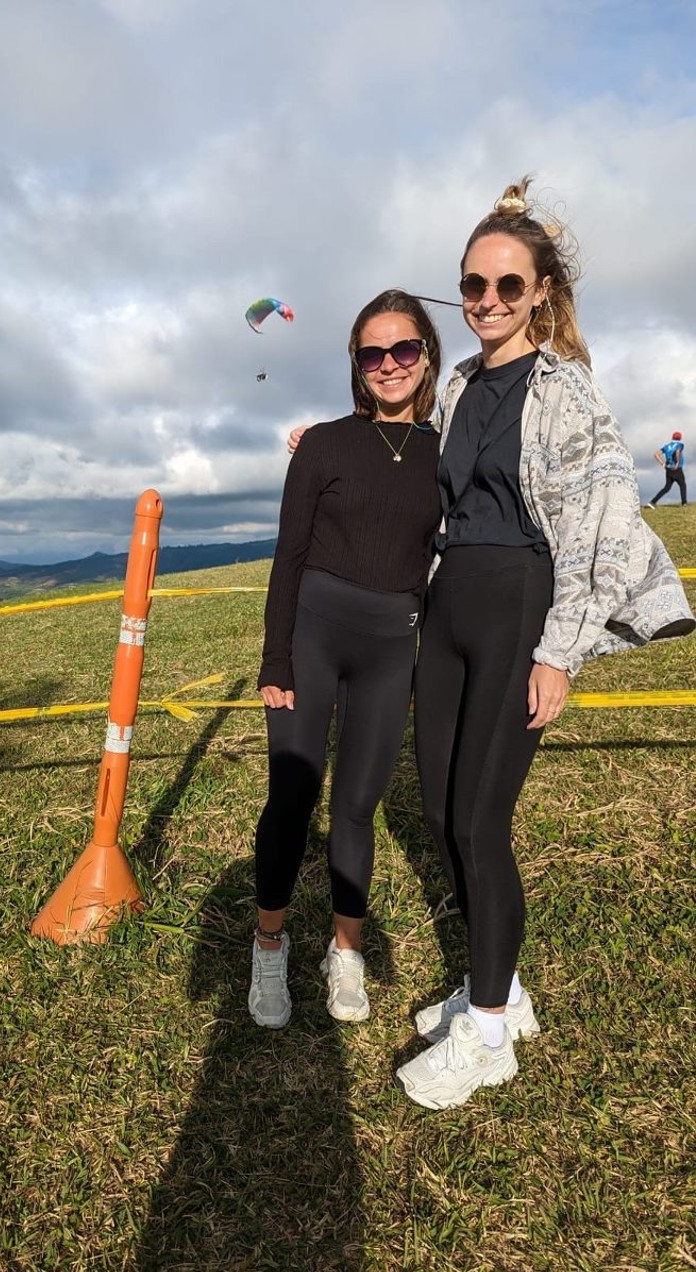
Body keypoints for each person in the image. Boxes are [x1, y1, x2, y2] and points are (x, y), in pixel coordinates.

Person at [289, 177, 694, 1106]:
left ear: (541, 292)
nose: (486, 303)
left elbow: (597, 525)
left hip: (519, 604)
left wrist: (560, 652)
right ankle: (498, 991)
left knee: (481, 820)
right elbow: (398, 444)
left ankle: (488, 1035)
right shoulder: (460, 383)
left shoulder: (566, 391)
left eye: (507, 287)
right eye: (472, 286)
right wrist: (326, 448)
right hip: (448, 610)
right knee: (437, 813)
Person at [249, 290, 443, 1030]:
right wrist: (276, 660)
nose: (389, 365)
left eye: (403, 350)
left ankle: (346, 950)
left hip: (393, 647)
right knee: (293, 799)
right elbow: (288, 556)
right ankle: (269, 945)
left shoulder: (444, 451)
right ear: (356, 367)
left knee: (357, 806)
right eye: (372, 353)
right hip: (313, 638)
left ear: (426, 355)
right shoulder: (325, 443)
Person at [646, 431, 686, 507]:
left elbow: (656, 454)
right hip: (677, 469)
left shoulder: (667, 446)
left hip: (668, 469)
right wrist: (677, 463)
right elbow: (677, 451)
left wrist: (663, 464)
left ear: (672, 437)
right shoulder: (680, 444)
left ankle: (652, 502)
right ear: (680, 438)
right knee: (682, 485)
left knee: (666, 488)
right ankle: (684, 503)